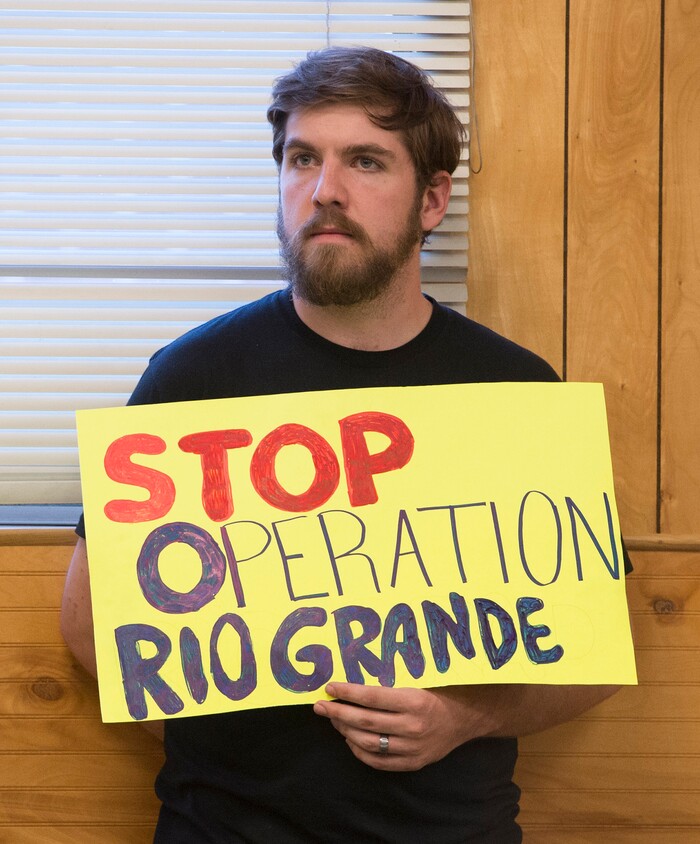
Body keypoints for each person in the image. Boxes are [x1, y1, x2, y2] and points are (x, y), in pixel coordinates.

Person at [61, 46, 623, 842]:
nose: (324, 190)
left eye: (365, 161)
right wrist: (235, 740)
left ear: (432, 200)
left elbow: (596, 657)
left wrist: (463, 719)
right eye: (301, 159)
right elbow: (91, 628)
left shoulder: (516, 390)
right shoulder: (190, 377)